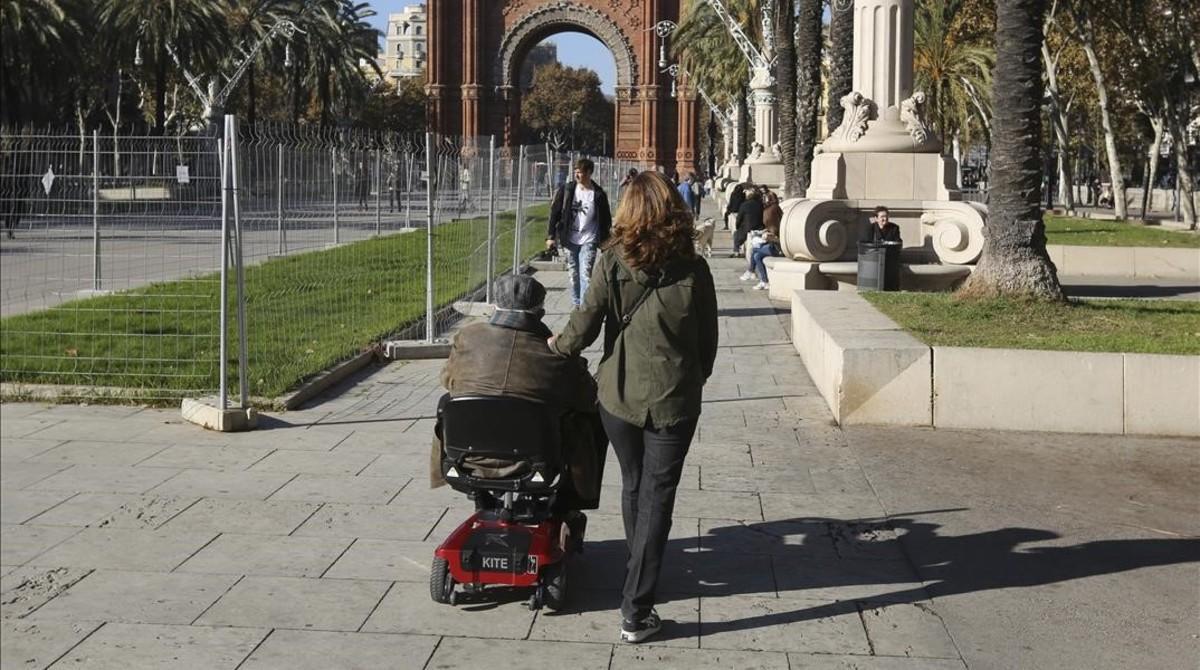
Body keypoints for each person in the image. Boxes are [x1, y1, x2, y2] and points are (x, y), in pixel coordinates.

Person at [549, 170, 718, 644]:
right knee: (657, 497)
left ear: (626, 210)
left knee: (634, 483)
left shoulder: (610, 261)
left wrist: (555, 347)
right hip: (675, 400)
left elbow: (583, 324)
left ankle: (636, 565)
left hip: (617, 398)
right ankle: (636, 609)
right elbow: (708, 343)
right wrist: (692, 379)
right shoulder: (695, 270)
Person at [432, 274, 604, 507]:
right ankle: (581, 493)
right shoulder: (557, 353)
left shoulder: (468, 336)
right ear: (540, 312)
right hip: (534, 462)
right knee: (586, 418)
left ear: (493, 307)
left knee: (448, 401)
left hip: (468, 458)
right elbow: (587, 398)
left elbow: (448, 379)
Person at [546, 158, 613, 308]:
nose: (577, 175)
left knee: (585, 275)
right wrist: (550, 237)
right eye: (575, 172)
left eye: (580, 172)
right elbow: (555, 213)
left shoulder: (598, 194)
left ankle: (584, 307)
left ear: (589, 172)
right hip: (569, 239)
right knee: (573, 276)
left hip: (589, 239)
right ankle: (576, 303)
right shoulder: (568, 190)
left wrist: (606, 240)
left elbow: (606, 219)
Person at [734, 186, 764, 257]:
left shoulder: (744, 205)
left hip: (747, 228)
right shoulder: (760, 204)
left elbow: (739, 218)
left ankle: (736, 251)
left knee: (736, 234)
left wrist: (737, 226)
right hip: (759, 226)